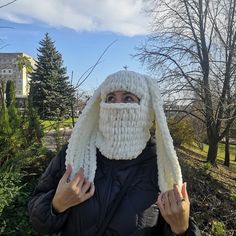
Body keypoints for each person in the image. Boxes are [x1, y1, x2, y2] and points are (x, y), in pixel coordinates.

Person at [28, 70, 201, 236]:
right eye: (110, 98)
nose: (117, 105)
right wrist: (56, 205)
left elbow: (177, 218)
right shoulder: (75, 151)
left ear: (146, 106)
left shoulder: (162, 165)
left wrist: (182, 229)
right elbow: (38, 220)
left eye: (128, 98)